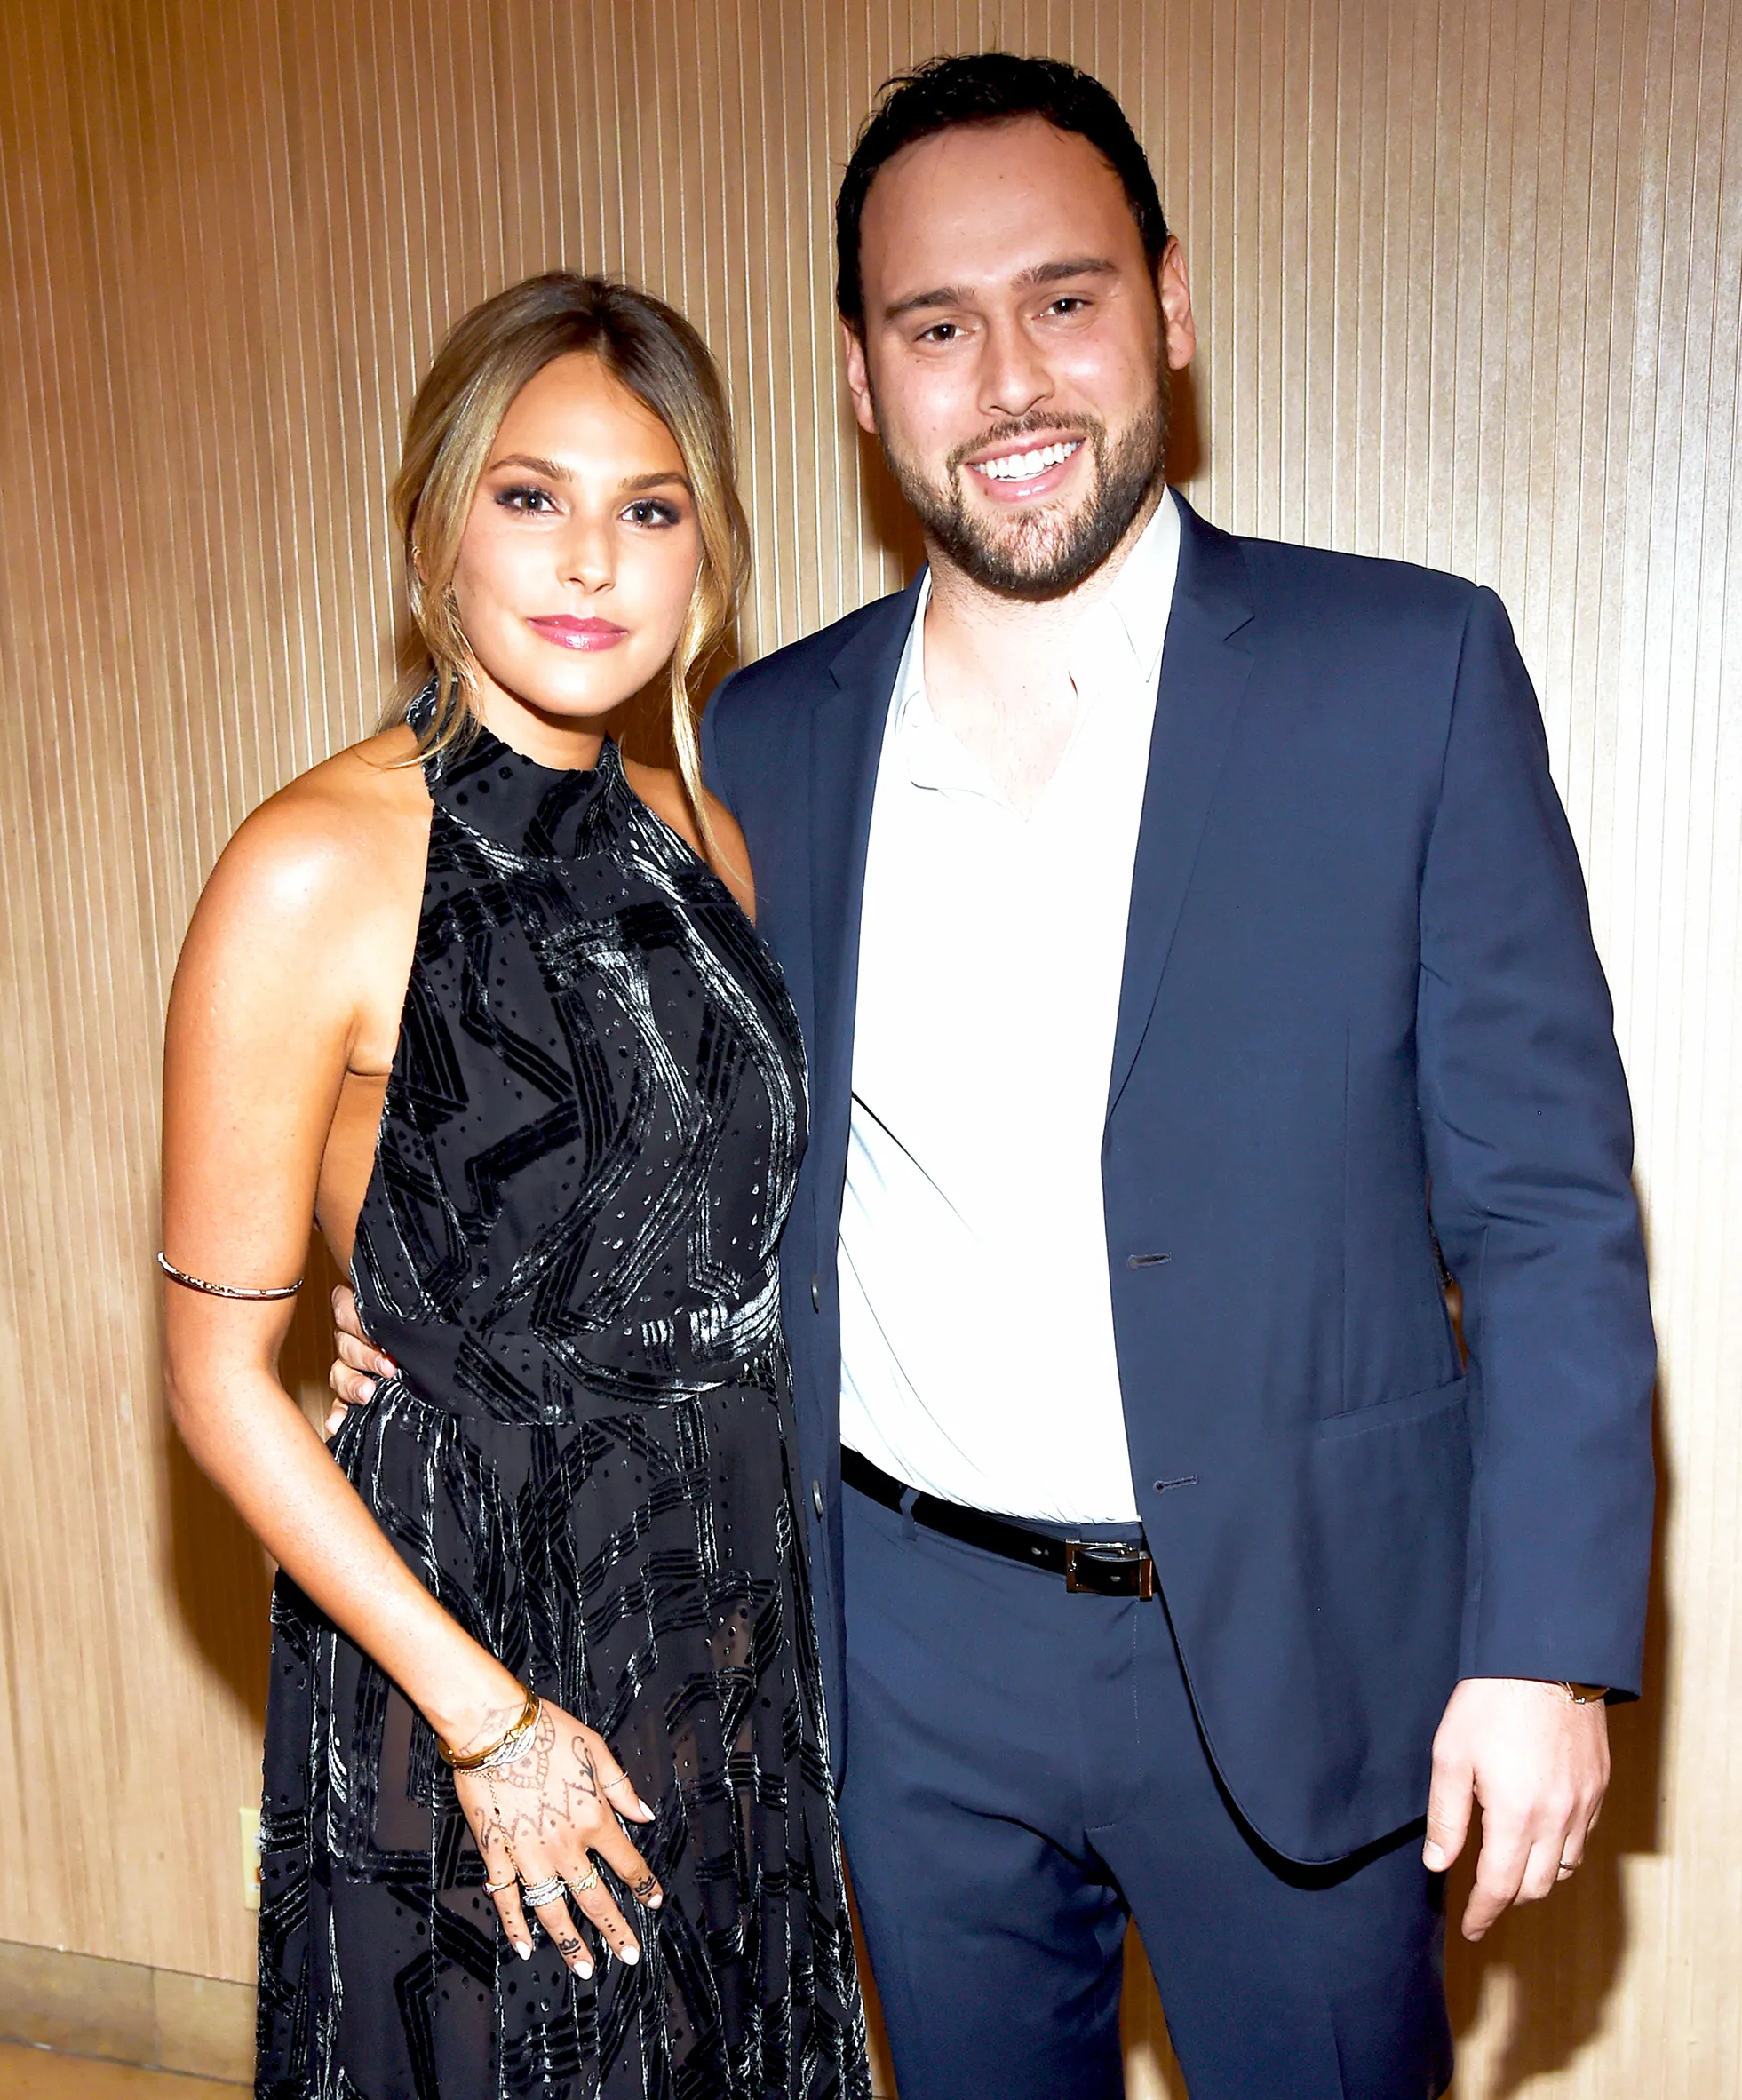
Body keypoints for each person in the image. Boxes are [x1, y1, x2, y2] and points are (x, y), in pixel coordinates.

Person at [330, 54, 1658, 2100]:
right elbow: (583, 1093)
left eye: (1065, 299)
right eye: (936, 328)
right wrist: (367, 1261)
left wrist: (1544, 1645)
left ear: (1170, 307)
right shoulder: (752, 749)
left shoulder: (1407, 675)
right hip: (900, 1653)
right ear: (864, 382)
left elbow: (1549, 1212)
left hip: (1305, 1639)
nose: (1010, 379)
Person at [161, 272, 869, 2099]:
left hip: (718, 1628)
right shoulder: (312, 864)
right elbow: (218, 1384)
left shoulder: (702, 839)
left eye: (647, 508)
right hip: (464, 1642)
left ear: (702, 549)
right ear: (435, 524)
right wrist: (490, 1731)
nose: (592, 562)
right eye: (529, 495)